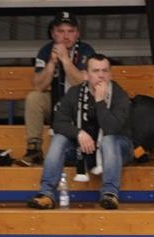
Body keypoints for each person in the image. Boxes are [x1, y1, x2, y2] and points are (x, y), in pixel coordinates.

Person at [26, 54, 133, 210]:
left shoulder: (119, 94)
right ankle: (46, 194)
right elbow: (58, 123)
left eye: (105, 71)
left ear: (110, 74)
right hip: (82, 150)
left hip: (117, 150)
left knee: (109, 140)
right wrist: (79, 133)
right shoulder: (74, 93)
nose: (101, 75)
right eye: (96, 71)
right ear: (85, 75)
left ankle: (110, 194)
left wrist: (100, 101)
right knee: (59, 139)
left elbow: (111, 128)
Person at [18, 11, 96, 166]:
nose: (66, 36)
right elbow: (39, 86)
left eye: (71, 31)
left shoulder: (86, 50)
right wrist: (52, 63)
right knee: (34, 97)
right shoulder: (46, 50)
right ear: (53, 33)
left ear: (78, 33)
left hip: (80, 105)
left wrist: (65, 59)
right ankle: (34, 150)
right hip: (56, 103)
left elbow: (82, 84)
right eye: (61, 31)